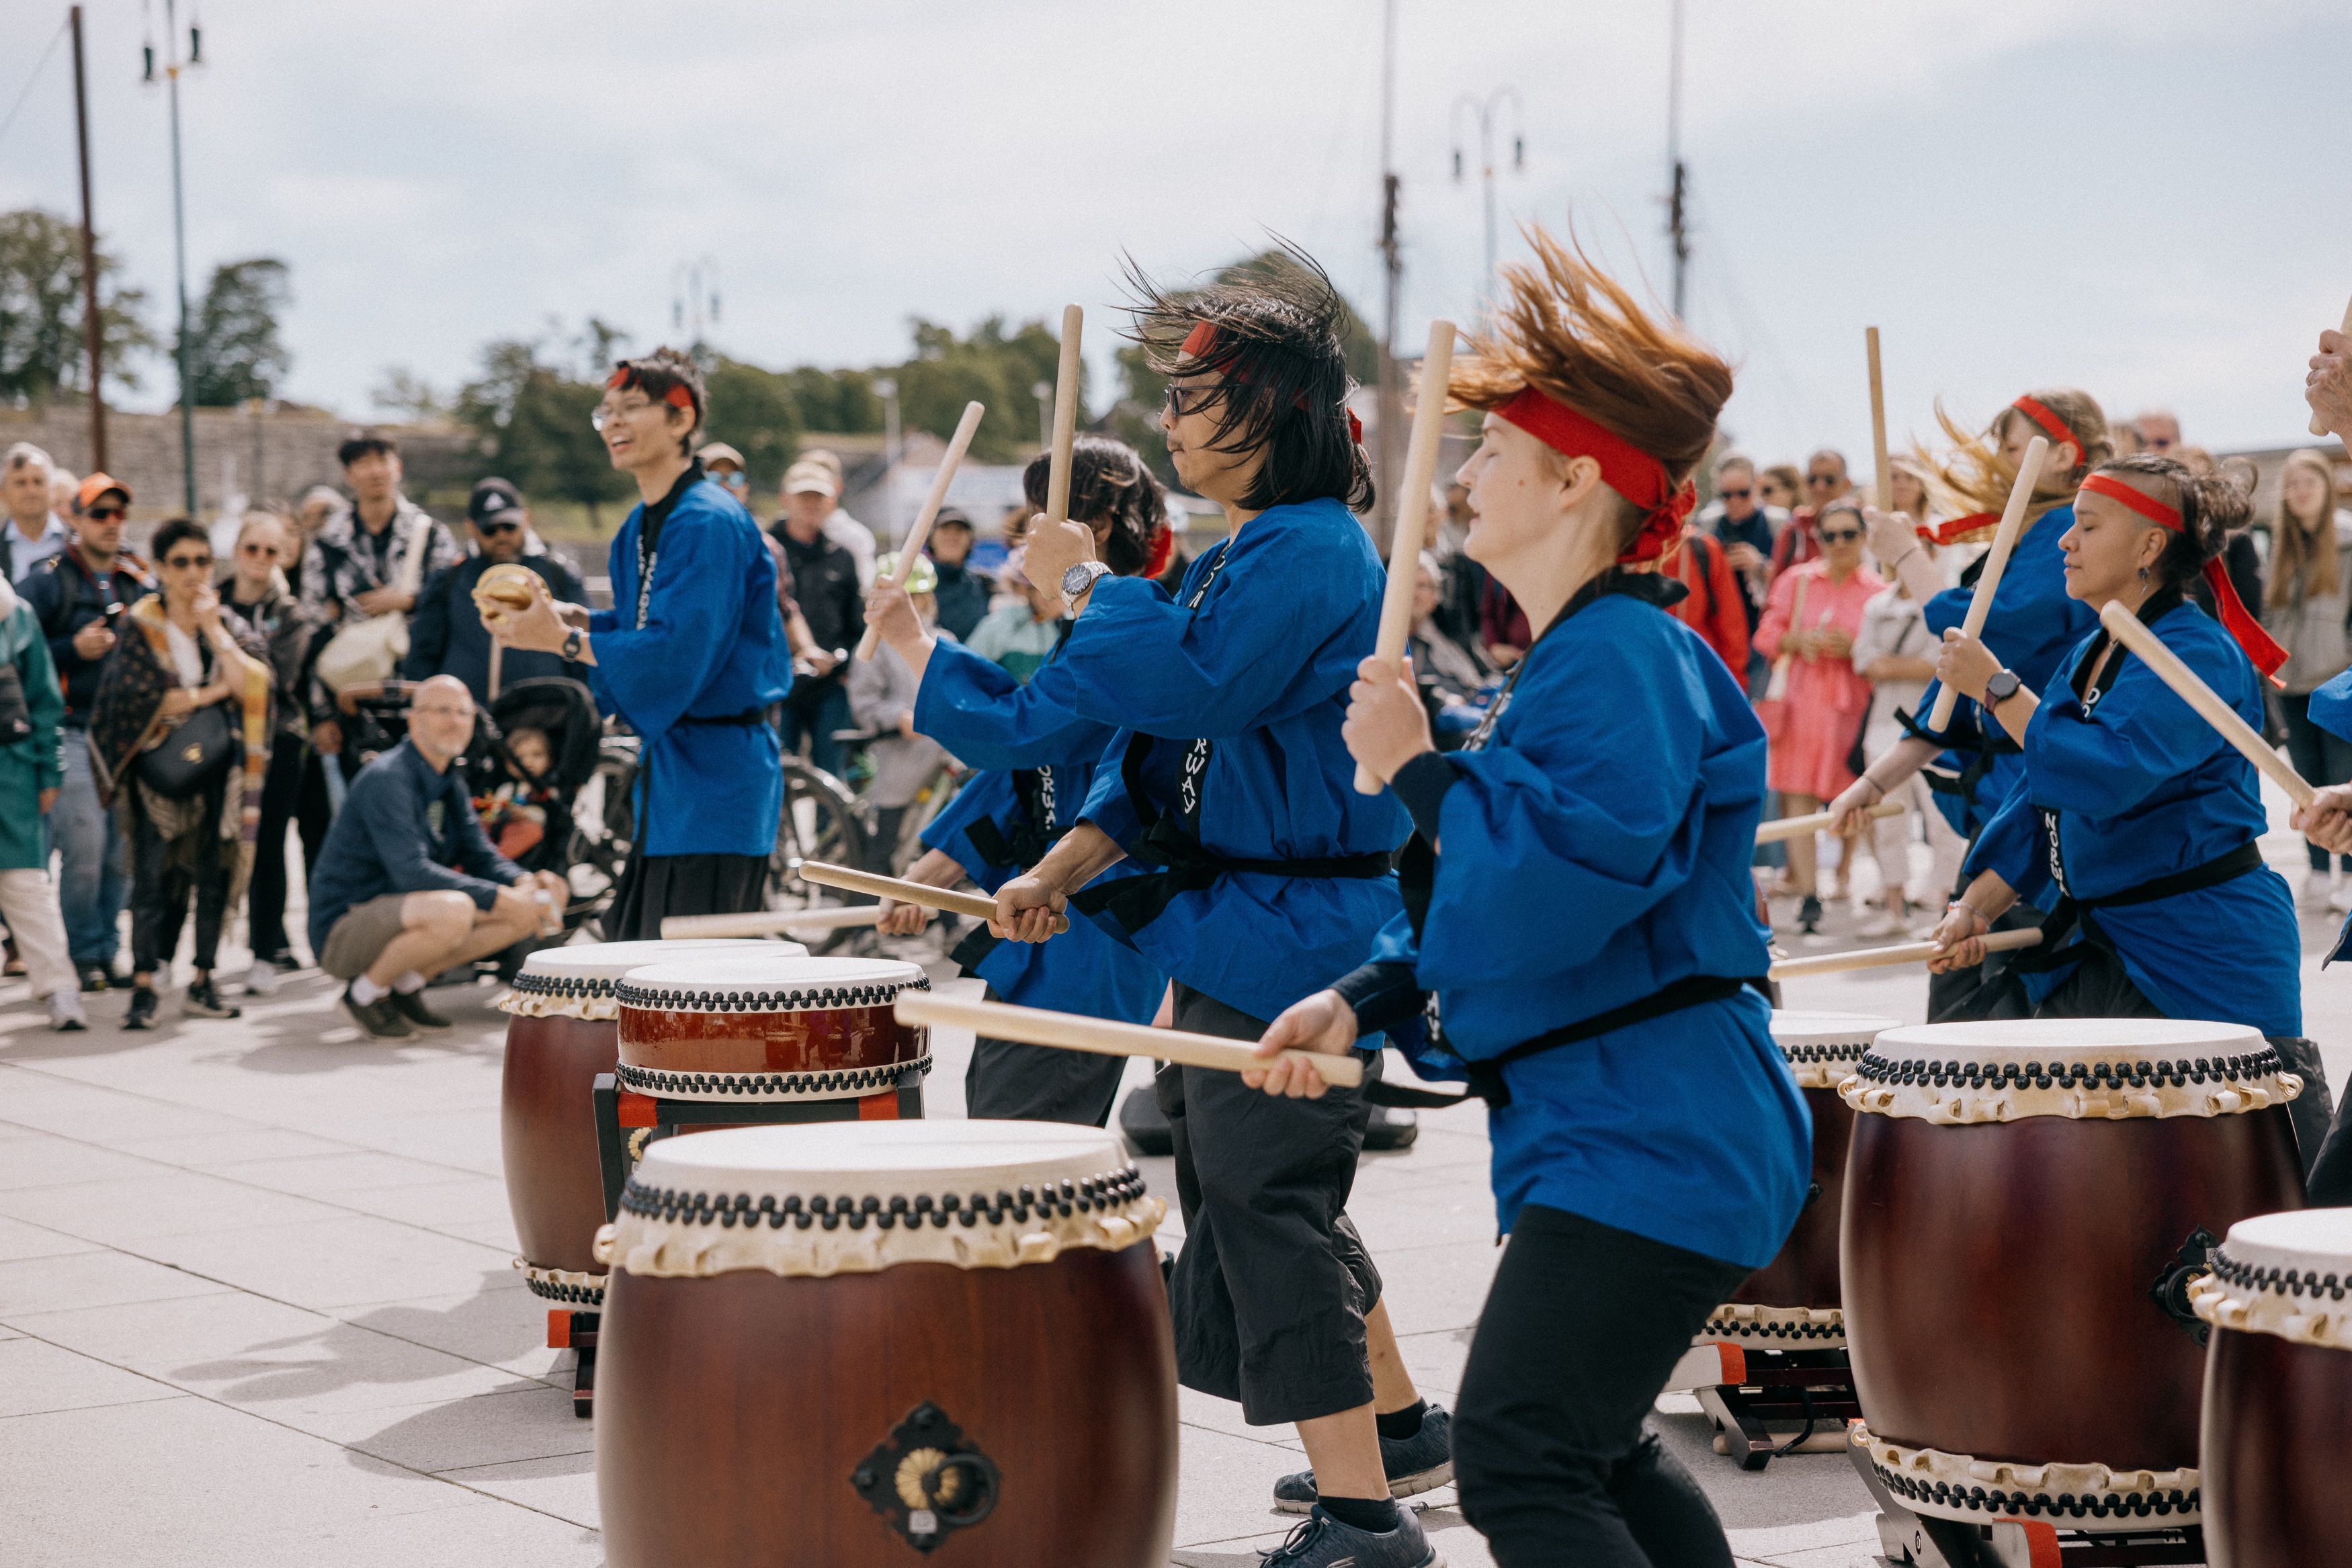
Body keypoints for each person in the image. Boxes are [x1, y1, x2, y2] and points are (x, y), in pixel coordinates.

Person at [1241, 226, 1808, 1568]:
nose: (1465, 473)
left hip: (1657, 1126)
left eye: (1492, 453)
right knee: (1590, 1444)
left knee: (1519, 1462)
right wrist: (1360, 997)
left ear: (1573, 482)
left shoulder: (1625, 657)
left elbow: (1554, 887)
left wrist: (1419, 773)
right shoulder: (1570, 662)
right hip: (1612, 1121)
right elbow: (1482, 900)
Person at [992, 251, 1443, 1568]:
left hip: (1300, 935)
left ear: (1274, 416)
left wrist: (1083, 589)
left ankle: (1364, 1516)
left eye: (1196, 400)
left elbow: (1193, 698)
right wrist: (1057, 872)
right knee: (1271, 1194)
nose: (1173, 422)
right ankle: (1398, 1431)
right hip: (1239, 922)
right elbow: (1168, 766)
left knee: (1265, 1206)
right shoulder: (1252, 546)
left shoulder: (1308, 550)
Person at [1925, 454, 2331, 1172]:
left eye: (2086, 525)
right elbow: (2038, 793)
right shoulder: (2091, 648)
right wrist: (1977, 908)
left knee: (2249, 1182)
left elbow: (2106, 773)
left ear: (2148, 546)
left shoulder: (2194, 652)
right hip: (2105, 940)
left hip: (2200, 945)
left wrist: (1994, 687)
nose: (2063, 541)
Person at [867, 434, 1174, 1129]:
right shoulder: (1095, 628)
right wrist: (927, 875)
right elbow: (1026, 776)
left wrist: (916, 645)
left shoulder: (1126, 630)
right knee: (1008, 1130)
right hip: (1043, 919)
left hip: (1087, 921)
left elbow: (1019, 730)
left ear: (1085, 530)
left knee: (1025, 1149)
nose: (1022, 540)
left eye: (1037, 518)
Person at [484, 349, 792, 941]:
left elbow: (676, 654)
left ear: (681, 420)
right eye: (606, 412)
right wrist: (582, 621)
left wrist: (566, 641)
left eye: (631, 408)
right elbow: (647, 629)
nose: (613, 423)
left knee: (695, 991)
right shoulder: (639, 525)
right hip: (675, 780)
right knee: (642, 969)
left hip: (719, 782)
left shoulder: (707, 520)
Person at [1830, 388, 2109, 1020]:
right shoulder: (2026, 537)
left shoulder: (2068, 531)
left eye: (2014, 449)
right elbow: (1948, 700)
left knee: (2015, 1027)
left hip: (2044, 821)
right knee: (1964, 1012)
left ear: (2063, 454)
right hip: (2000, 822)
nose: (2001, 463)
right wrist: (1871, 786)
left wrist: (1906, 555)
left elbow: (1985, 631)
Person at [306, 674, 568, 1038]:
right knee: (455, 909)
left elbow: (479, 853)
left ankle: (404, 988)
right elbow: (410, 873)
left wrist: (523, 882)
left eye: (463, 713)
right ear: (413, 720)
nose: (455, 721)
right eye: (442, 710)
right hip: (344, 929)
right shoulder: (388, 778)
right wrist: (498, 897)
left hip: (399, 911)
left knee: (538, 900)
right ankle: (363, 996)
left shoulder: (448, 779)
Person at [85, 519, 270, 1028]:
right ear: (162, 569)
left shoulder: (226, 622)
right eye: (182, 563)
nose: (194, 573)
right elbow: (143, 701)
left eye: (203, 562)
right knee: (151, 879)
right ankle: (144, 986)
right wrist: (213, 695)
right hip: (157, 772)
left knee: (215, 875)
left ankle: (204, 979)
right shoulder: (142, 623)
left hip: (216, 767)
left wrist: (212, 629)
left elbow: (255, 685)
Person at [22, 473, 149, 992]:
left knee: (124, 851)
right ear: (74, 518)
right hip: (70, 729)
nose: (111, 524)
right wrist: (74, 648)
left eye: (119, 514)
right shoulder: (48, 577)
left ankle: (105, 948)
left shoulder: (137, 579)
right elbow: (19, 656)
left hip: (128, 737)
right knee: (86, 845)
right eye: (100, 514)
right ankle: (82, 952)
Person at [1755, 495, 1882, 933]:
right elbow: (1766, 632)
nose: (1839, 543)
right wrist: (1795, 640)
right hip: (1802, 699)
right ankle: (1809, 890)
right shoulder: (1796, 580)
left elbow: (1891, 647)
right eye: (1829, 535)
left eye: (1849, 534)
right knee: (1797, 790)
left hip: (1853, 701)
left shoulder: (1877, 590)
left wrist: (1855, 648)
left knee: (1848, 790)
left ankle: (1843, 872)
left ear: (1864, 537)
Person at [218, 511, 316, 986]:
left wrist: (228, 657)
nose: (259, 559)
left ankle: (264, 952)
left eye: (270, 551)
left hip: (277, 741)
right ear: (237, 550)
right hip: (218, 738)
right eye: (252, 548)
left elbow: (278, 679)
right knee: (214, 848)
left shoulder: (291, 613)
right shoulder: (211, 599)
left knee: (269, 848)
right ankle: (205, 956)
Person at [1849, 536, 1960, 937]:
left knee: (1944, 822)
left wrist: (1893, 665)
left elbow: (1943, 665)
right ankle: (1894, 908)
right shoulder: (1877, 605)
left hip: (1936, 727)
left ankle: (1947, 909)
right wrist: (1908, 666)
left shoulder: (1945, 601)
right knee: (1887, 823)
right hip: (1883, 727)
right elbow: (1863, 659)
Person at [2260, 448, 2352, 908]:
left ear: (2325, 486)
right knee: (2306, 780)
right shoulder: (2281, 548)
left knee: (2344, 776)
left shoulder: (2348, 539)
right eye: (2292, 484)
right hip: (2292, 683)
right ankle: (2317, 872)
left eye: (2309, 482)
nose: (2300, 491)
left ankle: (2351, 876)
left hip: (2337, 678)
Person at [401, 478, 587, 703]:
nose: (501, 536)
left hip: (543, 716)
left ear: (526, 519)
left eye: (509, 526)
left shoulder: (559, 574)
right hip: (466, 718)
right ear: (471, 528)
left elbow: (583, 648)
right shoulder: (449, 578)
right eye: (489, 529)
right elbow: (423, 654)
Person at [0, 561, 85, 1029]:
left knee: (27, 886)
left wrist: (50, 770)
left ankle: (59, 988)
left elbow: (45, 700)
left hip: (11, 772)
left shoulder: (17, 614)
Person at [845, 551, 954, 872]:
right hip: (898, 753)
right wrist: (897, 716)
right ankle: (864, 915)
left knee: (943, 841)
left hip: (941, 753)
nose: (912, 606)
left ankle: (944, 916)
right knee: (887, 844)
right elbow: (864, 703)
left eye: (917, 597)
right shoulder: (873, 645)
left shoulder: (944, 641)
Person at [298, 433, 462, 636]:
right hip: (350, 660)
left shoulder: (431, 534)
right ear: (349, 475)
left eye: (383, 461)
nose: (376, 472)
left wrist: (409, 602)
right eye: (364, 463)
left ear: (398, 468)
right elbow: (311, 611)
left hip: (416, 658)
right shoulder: (328, 541)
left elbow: (454, 597)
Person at [773, 458, 862, 781]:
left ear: (832, 501)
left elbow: (857, 625)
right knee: (775, 775)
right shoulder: (764, 550)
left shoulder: (842, 555)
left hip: (829, 685)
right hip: (778, 682)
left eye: (818, 496)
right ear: (785, 498)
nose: (812, 504)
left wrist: (844, 665)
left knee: (832, 780)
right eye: (803, 496)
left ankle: (832, 834)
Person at [1696, 452, 1779, 687]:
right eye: (1726, 495)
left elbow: (1794, 582)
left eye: (1743, 493)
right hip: (1719, 636)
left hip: (1763, 637)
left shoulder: (1778, 525)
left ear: (1758, 486)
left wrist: (1759, 564)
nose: (1734, 501)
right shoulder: (1706, 525)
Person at [1663, 513, 1749, 675]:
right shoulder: (1622, 552)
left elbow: (1732, 631)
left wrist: (1730, 691)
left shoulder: (1704, 550)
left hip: (1698, 676)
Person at [964, 549, 1066, 681]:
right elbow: (966, 669)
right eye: (1047, 589)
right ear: (1026, 589)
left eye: (1062, 590)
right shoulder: (1002, 622)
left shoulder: (1069, 626)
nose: (1057, 598)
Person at [796, 446, 879, 590]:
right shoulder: (780, 532)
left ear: (838, 486)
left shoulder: (857, 537)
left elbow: (863, 589)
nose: (812, 496)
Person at [1, 443, 73, 585]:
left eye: (38, 482)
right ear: (2, 493)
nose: (31, 491)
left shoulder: (78, 542)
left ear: (53, 489)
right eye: (21, 483)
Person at [925, 507, 993, 642]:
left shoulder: (986, 584)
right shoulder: (918, 584)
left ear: (970, 540)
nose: (952, 536)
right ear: (931, 538)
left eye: (959, 530)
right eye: (945, 529)